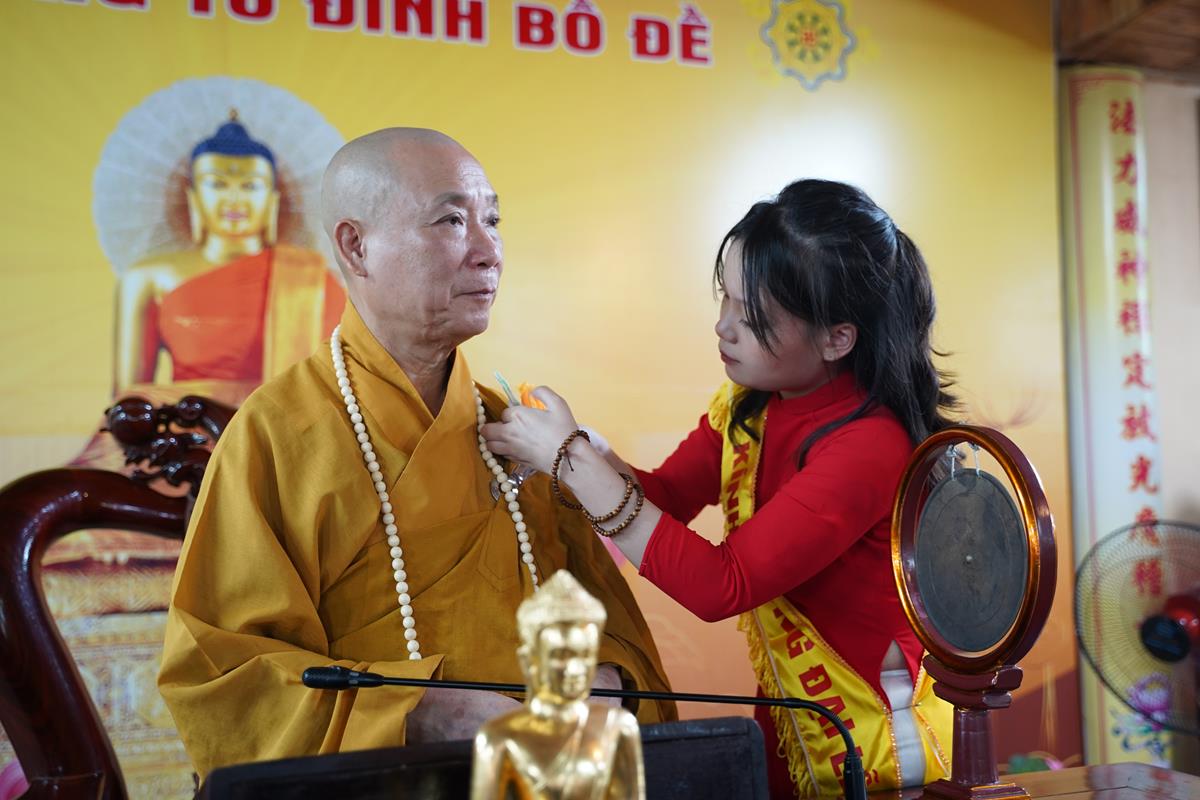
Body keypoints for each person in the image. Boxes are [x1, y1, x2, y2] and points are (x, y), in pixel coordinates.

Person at [157, 128, 675, 778]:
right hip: (376, 784)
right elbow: (223, 675)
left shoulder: (512, 433)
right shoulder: (279, 434)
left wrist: (607, 681)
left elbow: (611, 629)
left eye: (493, 221)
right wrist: (419, 713)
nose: (489, 252)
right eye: (452, 221)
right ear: (356, 246)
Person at [483, 180, 956, 797]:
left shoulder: (870, 445)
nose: (723, 327)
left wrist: (570, 460)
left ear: (837, 337)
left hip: (869, 744)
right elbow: (665, 498)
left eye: (751, 317)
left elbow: (721, 584)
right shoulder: (750, 404)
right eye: (725, 298)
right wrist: (590, 454)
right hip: (792, 719)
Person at [471, 570, 644, 800]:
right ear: (529, 661)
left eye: (583, 656)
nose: (574, 670)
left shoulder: (617, 726)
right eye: (559, 657)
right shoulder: (498, 736)